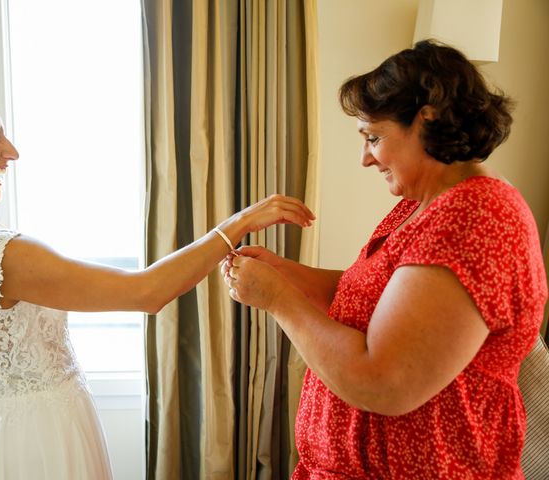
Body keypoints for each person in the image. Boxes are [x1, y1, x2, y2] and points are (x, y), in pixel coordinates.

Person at [0, 79, 315, 480]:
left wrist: (14, 407)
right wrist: (236, 224)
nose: (11, 152)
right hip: (49, 435)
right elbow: (147, 292)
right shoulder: (6, 255)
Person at [222, 40, 548, 479]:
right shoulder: (424, 204)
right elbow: (382, 302)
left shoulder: (475, 216)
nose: (365, 158)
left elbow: (385, 382)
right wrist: (288, 274)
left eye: (374, 138)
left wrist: (277, 298)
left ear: (426, 118)